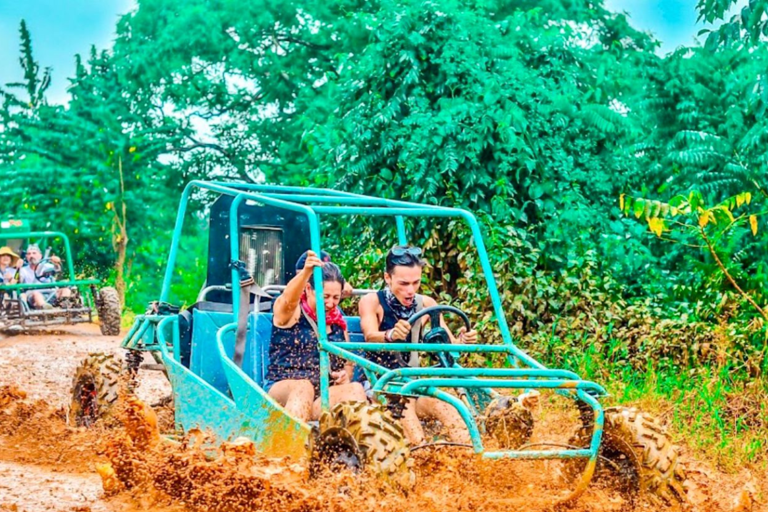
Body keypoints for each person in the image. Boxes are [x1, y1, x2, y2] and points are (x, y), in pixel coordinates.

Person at [358, 245, 477, 445]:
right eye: (403, 283)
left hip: (414, 385)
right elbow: (370, 335)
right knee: (413, 429)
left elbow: (450, 344)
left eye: (416, 282)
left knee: (449, 410)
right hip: (383, 385)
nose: (410, 290)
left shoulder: (427, 304)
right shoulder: (371, 301)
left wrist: (462, 341)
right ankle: (422, 456)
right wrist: (390, 334)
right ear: (388, 278)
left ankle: (471, 459)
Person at [264, 250, 365, 422]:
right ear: (309, 289)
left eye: (336, 297)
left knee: (355, 389)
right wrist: (305, 273)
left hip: (322, 395)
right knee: (304, 387)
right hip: (284, 389)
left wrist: (344, 375)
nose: (331, 303)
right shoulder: (292, 313)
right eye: (325, 297)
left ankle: (356, 447)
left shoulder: (338, 321)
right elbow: (288, 300)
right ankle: (290, 445)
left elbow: (348, 362)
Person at [18, 244, 69, 309]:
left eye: (34, 253)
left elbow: (58, 270)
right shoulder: (23, 270)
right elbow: (18, 281)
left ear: (40, 256)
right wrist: (18, 268)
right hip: (33, 293)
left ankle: (64, 307)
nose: (31, 256)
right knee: (36, 294)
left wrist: (57, 263)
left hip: (51, 292)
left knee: (66, 290)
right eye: (29, 254)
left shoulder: (48, 266)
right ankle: (47, 309)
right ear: (26, 257)